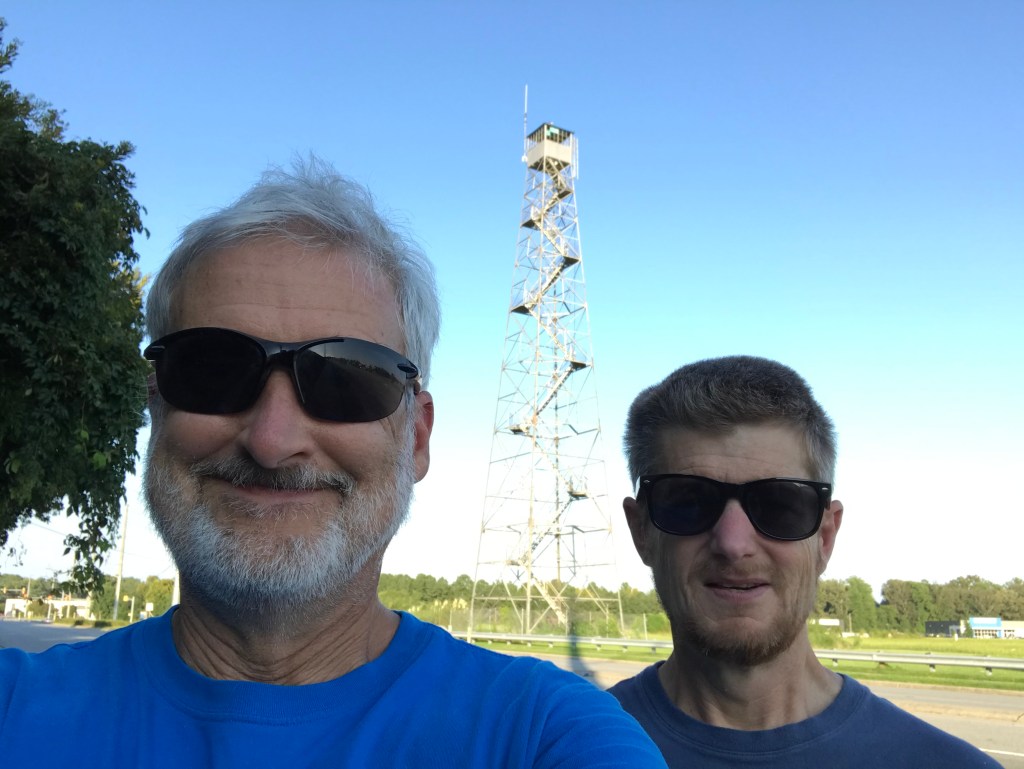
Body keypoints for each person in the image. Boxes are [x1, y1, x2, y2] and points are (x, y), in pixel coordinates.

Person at [0, 158, 666, 769]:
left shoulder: (544, 736)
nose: (272, 441)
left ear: (417, 438)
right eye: (213, 369)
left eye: (345, 379)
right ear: (157, 405)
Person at [609, 356, 1000, 768]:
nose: (733, 544)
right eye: (688, 503)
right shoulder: (571, 753)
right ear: (642, 532)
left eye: (779, 504)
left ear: (825, 538)